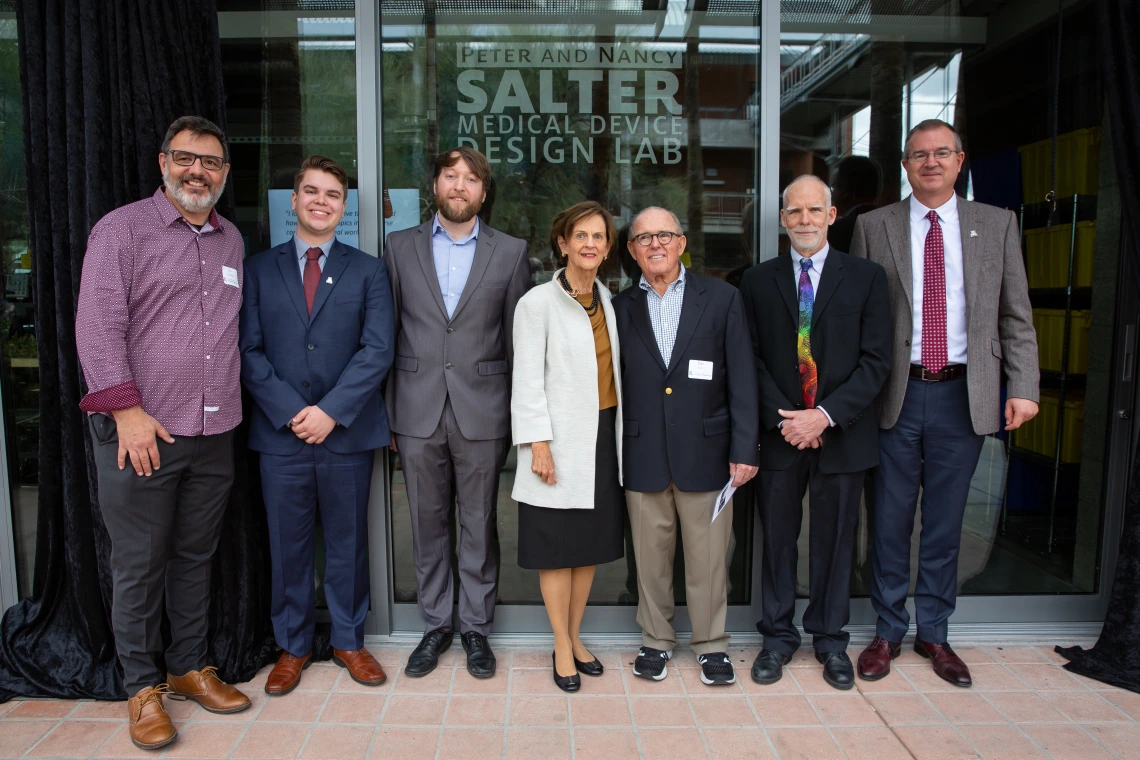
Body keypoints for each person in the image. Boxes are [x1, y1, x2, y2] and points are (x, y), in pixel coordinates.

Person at [75, 116, 250, 750]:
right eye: (185, 158)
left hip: (214, 430)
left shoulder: (230, 240)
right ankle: (142, 688)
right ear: (162, 163)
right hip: (141, 433)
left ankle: (187, 666)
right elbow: (96, 328)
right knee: (139, 566)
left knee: (195, 557)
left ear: (224, 175)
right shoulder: (122, 230)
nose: (196, 171)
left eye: (209, 163)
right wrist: (126, 413)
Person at [850, 119, 1040, 686]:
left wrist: (1024, 385)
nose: (930, 163)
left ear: (960, 161)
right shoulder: (872, 226)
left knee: (946, 522)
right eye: (918, 155)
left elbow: (1016, 315)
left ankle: (934, 630)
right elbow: (860, 319)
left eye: (941, 153)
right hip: (897, 395)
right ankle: (888, 630)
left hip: (965, 393)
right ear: (905, 166)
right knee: (889, 518)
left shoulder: (997, 224)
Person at [239, 156, 395, 694]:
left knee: (349, 542)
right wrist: (291, 412)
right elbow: (248, 350)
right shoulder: (258, 270)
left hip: (346, 433)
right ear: (294, 200)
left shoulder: (370, 270)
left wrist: (330, 412)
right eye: (311, 191)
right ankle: (293, 646)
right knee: (289, 545)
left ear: (344, 206)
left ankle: (349, 641)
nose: (321, 201)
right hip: (280, 435)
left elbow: (377, 351)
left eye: (332, 194)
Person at [739, 175, 891, 690]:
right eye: (794, 211)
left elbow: (876, 362)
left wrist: (823, 416)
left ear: (831, 216)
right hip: (781, 434)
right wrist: (789, 419)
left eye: (814, 210)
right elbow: (748, 359)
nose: (804, 219)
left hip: (841, 435)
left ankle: (830, 640)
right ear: (782, 219)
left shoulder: (868, 278)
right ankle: (777, 639)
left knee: (835, 542)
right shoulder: (757, 281)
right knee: (777, 542)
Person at [383, 147, 530, 679]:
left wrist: (521, 418)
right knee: (425, 522)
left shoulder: (511, 252)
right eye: (451, 176)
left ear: (483, 193)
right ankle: (434, 626)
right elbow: (386, 335)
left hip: (483, 409)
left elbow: (519, 342)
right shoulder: (398, 248)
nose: (460, 186)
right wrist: (388, 413)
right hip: (415, 406)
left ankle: (474, 627)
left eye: (471, 179)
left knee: (479, 522)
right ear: (436, 186)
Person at [611, 207, 760, 687]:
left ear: (681, 242)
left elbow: (743, 379)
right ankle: (655, 640)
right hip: (643, 452)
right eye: (644, 238)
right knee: (650, 558)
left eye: (665, 235)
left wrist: (745, 447)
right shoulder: (616, 309)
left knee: (709, 558)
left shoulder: (721, 298)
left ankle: (711, 645)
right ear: (631, 250)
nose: (655, 244)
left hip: (708, 454)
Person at [511, 201, 624, 693]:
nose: (590, 244)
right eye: (580, 235)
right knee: (556, 549)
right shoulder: (537, 302)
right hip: (555, 441)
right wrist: (538, 444)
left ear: (607, 246)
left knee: (587, 548)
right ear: (562, 243)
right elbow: (526, 380)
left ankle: (577, 638)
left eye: (598, 236)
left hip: (601, 438)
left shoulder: (608, 299)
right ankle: (560, 644)